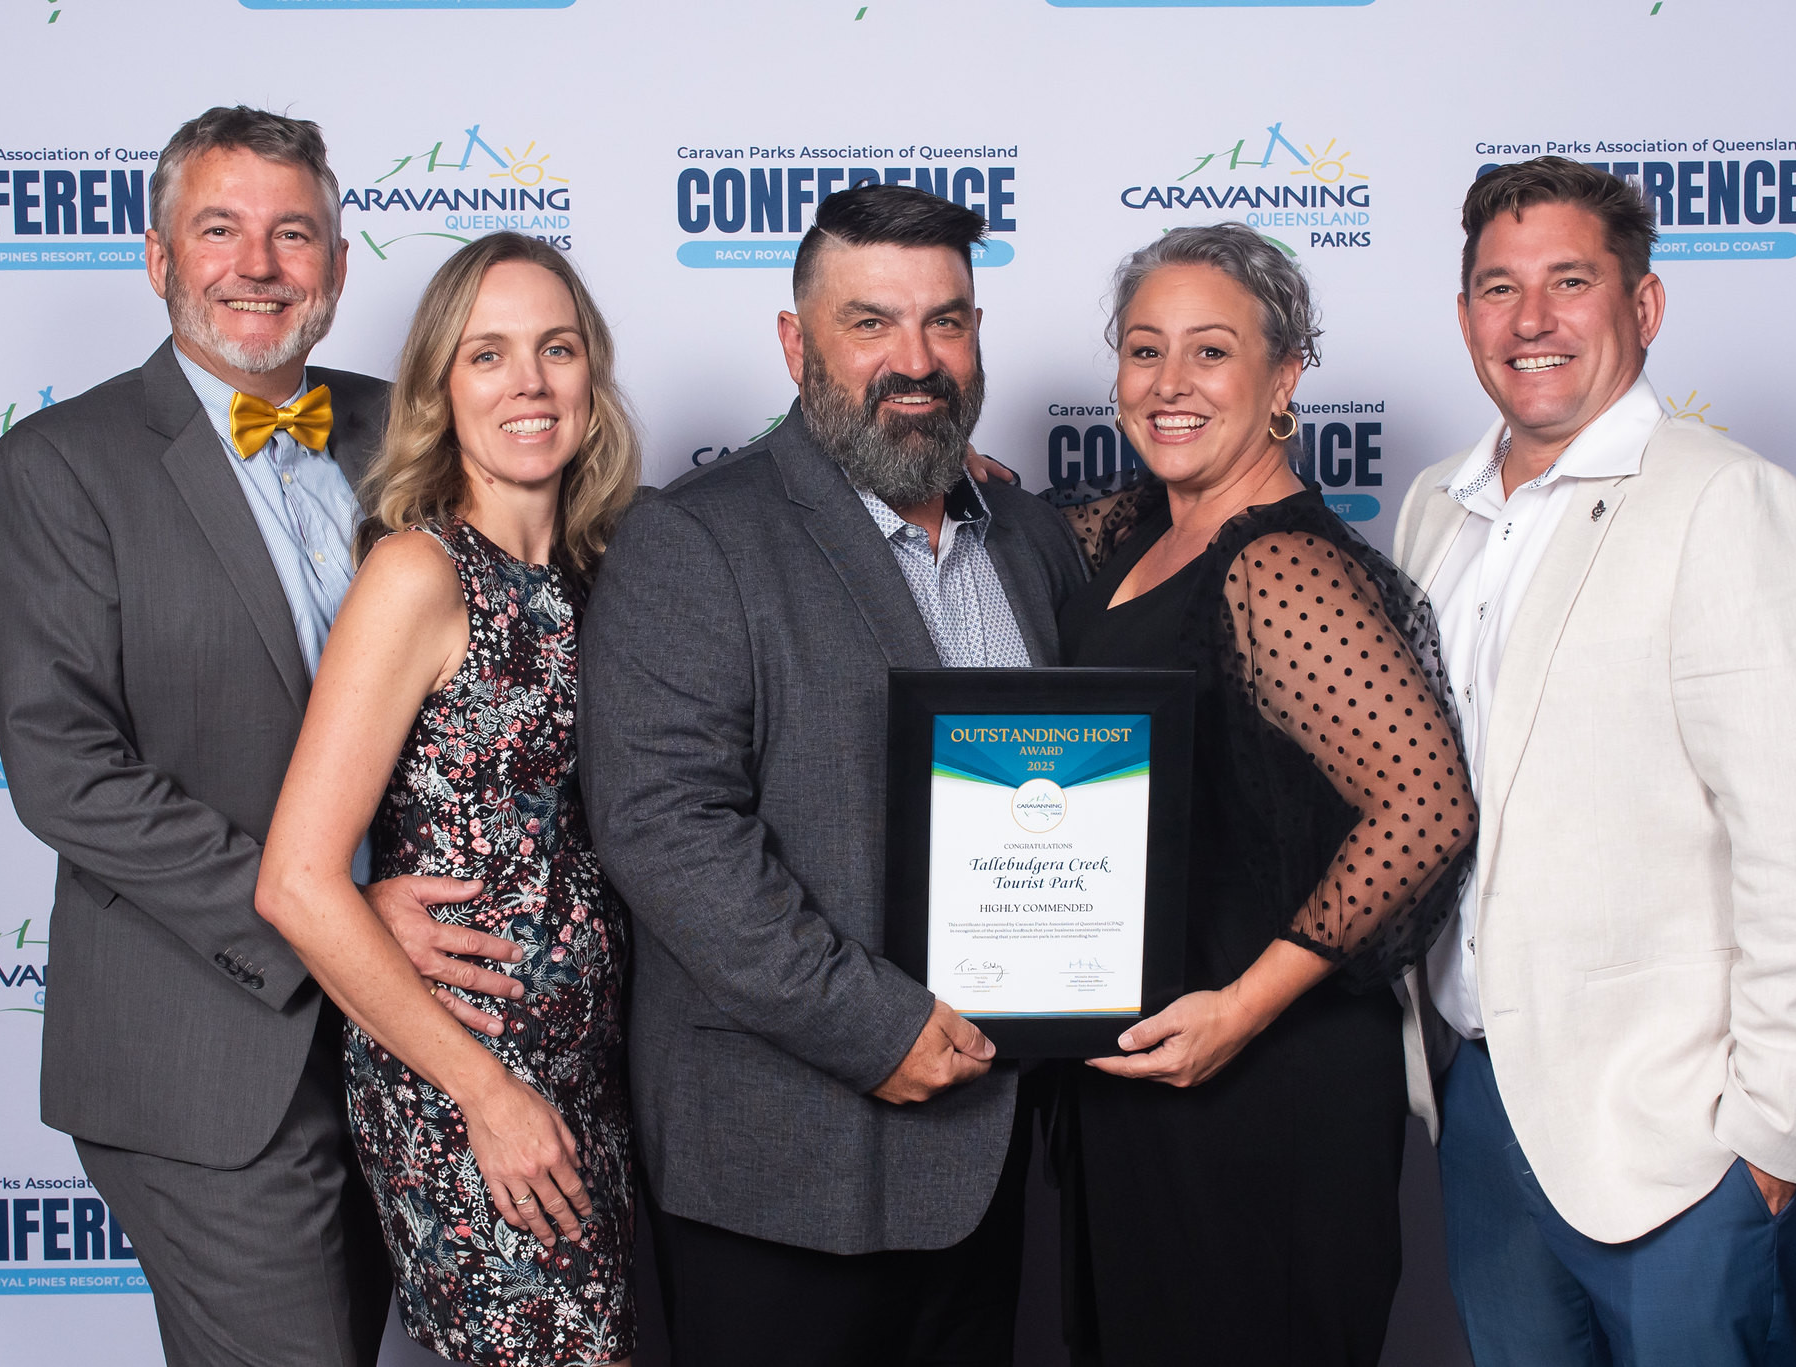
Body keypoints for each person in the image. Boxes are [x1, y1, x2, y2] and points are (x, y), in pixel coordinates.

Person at [0, 107, 523, 1367]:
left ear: (337, 266)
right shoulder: (65, 464)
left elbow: (581, 527)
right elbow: (64, 767)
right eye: (219, 229)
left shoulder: (412, 426)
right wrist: (325, 908)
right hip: (212, 1045)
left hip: (423, 1032)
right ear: (160, 257)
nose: (259, 265)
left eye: (295, 234)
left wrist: (899, 477)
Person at [580, 183, 1087, 1367]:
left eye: (946, 321)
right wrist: (875, 1024)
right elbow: (668, 832)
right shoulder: (695, 538)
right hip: (786, 1162)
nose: (914, 361)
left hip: (991, 1149)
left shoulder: (1029, 536)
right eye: (870, 323)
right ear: (794, 341)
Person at [1395, 156, 1796, 1366]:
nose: (1531, 319)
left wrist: (1770, 1139)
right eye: (1498, 288)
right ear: (1463, 318)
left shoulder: (1724, 505)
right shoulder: (1428, 511)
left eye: (1570, 281)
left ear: (1643, 306)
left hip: (1679, 1137)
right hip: (1483, 1104)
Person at [1040, 222, 1474, 1365]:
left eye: (1209, 352)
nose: (1169, 384)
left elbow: (1425, 805)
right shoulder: (1126, 528)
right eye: (1143, 351)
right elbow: (986, 533)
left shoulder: (1280, 564)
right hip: (1140, 1076)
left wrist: (1240, 1006)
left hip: (1259, 1084)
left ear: (1283, 376)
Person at [254, 232, 641, 1366]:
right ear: (438, 388)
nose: (528, 382)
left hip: (592, 1075)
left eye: (555, 349)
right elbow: (297, 879)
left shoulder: (610, 560)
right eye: (487, 355)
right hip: (468, 1083)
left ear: (590, 376)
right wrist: (486, 1094)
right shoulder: (418, 574)